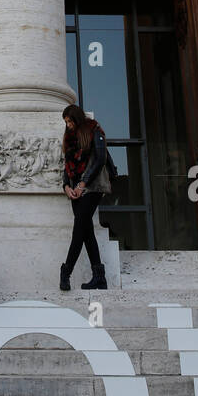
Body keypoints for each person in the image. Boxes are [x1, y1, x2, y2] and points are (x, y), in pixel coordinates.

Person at [59, 104, 113, 292]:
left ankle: (66, 271)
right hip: (76, 191)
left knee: (79, 230)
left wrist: (82, 184)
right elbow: (67, 166)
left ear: (77, 118)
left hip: (93, 187)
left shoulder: (93, 130)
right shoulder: (68, 139)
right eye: (66, 122)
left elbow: (99, 159)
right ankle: (99, 278)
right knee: (86, 231)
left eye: (70, 121)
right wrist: (67, 186)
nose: (68, 125)